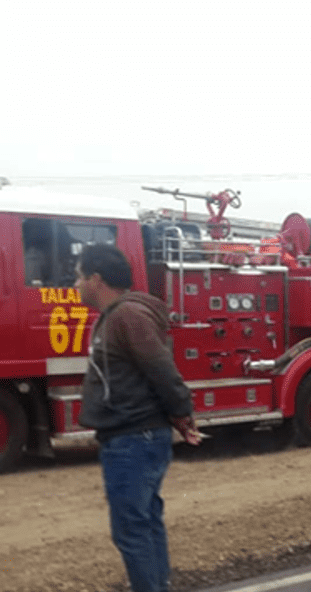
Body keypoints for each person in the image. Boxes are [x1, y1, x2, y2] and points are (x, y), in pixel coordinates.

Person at [76, 244, 200, 592]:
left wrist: (182, 413)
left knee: (131, 529)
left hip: (133, 438)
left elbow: (160, 367)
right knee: (144, 522)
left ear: (96, 280)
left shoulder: (126, 316)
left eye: (79, 276)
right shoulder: (119, 315)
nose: (76, 285)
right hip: (135, 437)